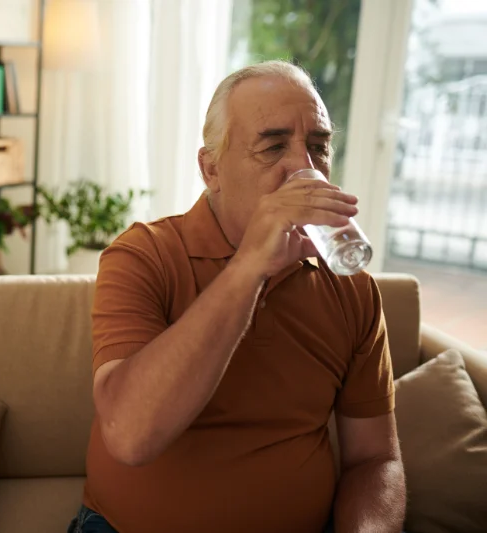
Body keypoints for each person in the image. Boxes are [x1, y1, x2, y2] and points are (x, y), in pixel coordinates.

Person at [68, 60, 407, 533]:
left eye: (318, 147)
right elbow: (130, 436)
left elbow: (375, 459)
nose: (303, 169)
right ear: (211, 169)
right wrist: (250, 267)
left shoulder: (350, 287)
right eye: (273, 146)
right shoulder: (144, 255)